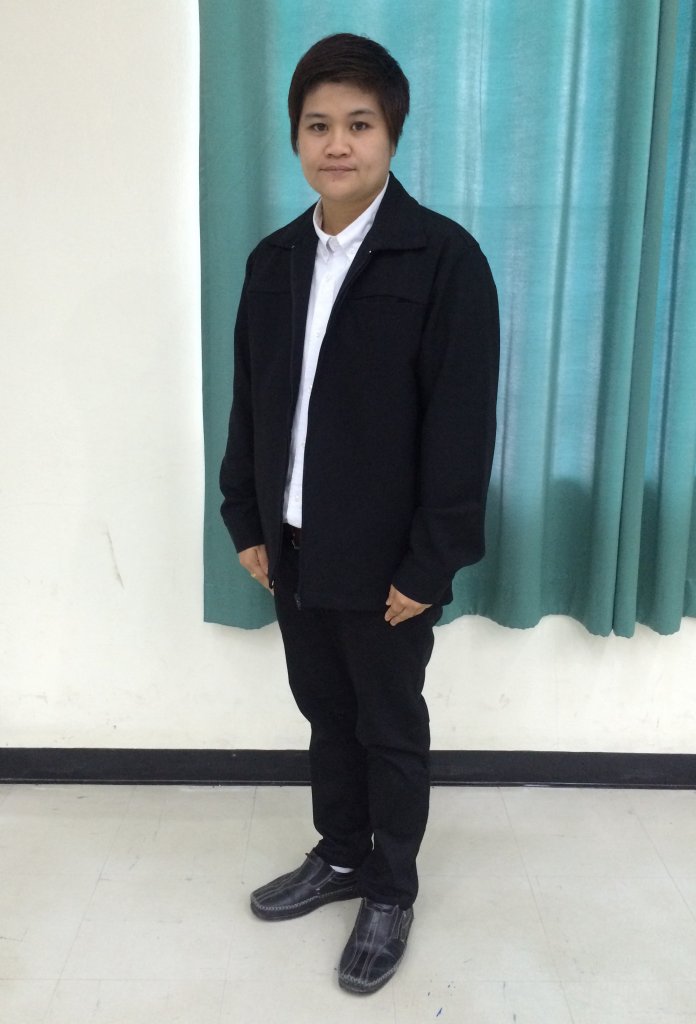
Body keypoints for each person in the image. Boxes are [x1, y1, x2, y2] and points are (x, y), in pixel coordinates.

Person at [220, 32, 499, 994]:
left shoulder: (444, 260)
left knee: (388, 725)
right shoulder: (274, 261)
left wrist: (430, 563)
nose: (337, 144)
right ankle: (340, 853)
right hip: (294, 546)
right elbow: (252, 401)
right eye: (317, 125)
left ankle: (391, 887)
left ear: (392, 134)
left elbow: (462, 425)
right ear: (295, 137)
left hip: (387, 562)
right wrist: (247, 519)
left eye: (359, 124)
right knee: (325, 713)